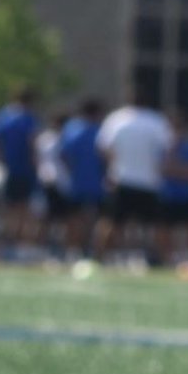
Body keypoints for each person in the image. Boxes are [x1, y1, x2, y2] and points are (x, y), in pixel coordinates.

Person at [94, 86, 173, 265]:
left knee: (111, 221)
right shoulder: (156, 121)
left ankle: (99, 258)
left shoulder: (116, 119)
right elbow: (167, 149)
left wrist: (114, 166)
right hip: (149, 181)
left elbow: (103, 147)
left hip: (122, 178)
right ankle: (166, 260)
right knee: (158, 224)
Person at [0, 86, 40, 253]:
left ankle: (7, 243)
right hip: (24, 169)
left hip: (8, 168)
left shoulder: (3, 116)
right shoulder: (27, 118)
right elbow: (32, 143)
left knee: (9, 208)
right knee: (24, 209)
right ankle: (22, 244)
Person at [157, 108, 188, 266]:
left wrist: (174, 169)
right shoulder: (162, 146)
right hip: (166, 194)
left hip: (185, 194)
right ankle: (167, 259)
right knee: (164, 228)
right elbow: (160, 169)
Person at [59, 99, 106, 256]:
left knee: (74, 219)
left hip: (77, 181)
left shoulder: (71, 129)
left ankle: (73, 249)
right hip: (97, 183)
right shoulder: (100, 131)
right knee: (95, 219)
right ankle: (92, 249)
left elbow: (63, 155)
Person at [36, 112, 71, 255]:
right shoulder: (62, 138)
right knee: (61, 218)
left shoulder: (43, 139)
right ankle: (50, 246)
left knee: (47, 218)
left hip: (45, 179)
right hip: (58, 181)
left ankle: (44, 246)